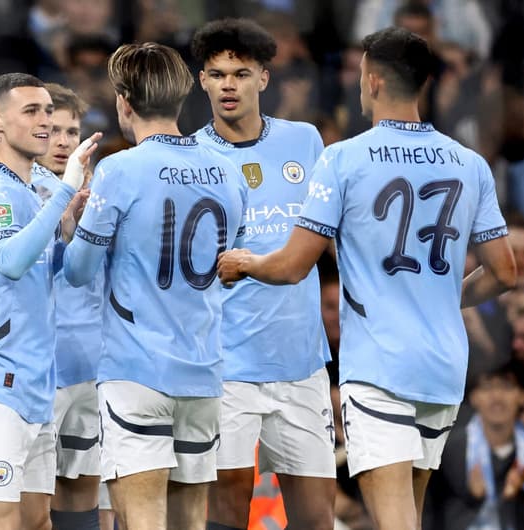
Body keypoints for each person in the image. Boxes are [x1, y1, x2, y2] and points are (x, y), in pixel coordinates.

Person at [218, 27, 517, 530]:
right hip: (443, 366)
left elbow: (292, 267)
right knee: (409, 516)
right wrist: (448, 301)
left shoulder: (343, 158)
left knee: (394, 521)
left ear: (374, 81)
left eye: (360, 76)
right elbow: (506, 271)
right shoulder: (470, 164)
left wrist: (244, 262)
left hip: (380, 368)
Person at [62, 42, 248, 530]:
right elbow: (234, 266)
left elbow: (78, 271)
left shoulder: (119, 169)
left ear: (124, 100)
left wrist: (75, 229)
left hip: (136, 371)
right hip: (204, 370)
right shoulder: (228, 170)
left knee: (141, 520)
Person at [190, 18, 335, 530]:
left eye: (241, 73)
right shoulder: (192, 156)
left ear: (263, 79)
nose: (229, 84)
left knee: (316, 517)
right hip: (226, 363)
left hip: (301, 361)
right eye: (217, 73)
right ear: (202, 81)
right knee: (228, 508)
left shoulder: (305, 141)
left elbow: (328, 235)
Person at [0, 73, 97, 530]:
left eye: (48, 110)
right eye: (31, 111)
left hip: (34, 380)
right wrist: (64, 192)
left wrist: (77, 228)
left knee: (36, 522)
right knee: (0, 523)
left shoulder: (34, 190)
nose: (45, 121)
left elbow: (76, 273)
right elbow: (9, 260)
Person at [30, 82, 106, 530]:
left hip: (91, 364)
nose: (62, 141)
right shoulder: (15, 193)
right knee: (30, 503)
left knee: (84, 495)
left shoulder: (102, 194)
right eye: (52, 130)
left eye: (71, 131)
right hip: (38, 369)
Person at [425, 359, 524, 530]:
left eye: (506, 386)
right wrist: (473, 496)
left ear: (522, 395)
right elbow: (429, 511)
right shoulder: (449, 449)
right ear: (473, 397)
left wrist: (516, 497)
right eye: (487, 386)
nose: (496, 397)